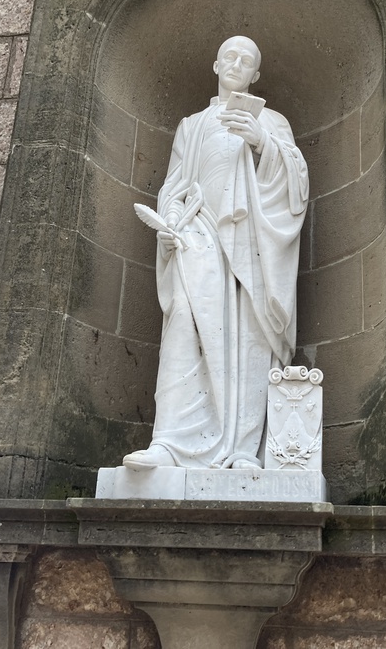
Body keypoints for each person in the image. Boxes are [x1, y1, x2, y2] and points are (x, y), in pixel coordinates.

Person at [123, 36, 309, 470]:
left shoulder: (272, 120)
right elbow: (175, 184)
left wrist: (263, 142)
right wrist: (170, 222)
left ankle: (244, 448)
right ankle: (169, 442)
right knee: (183, 324)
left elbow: (297, 182)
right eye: (230, 56)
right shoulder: (193, 125)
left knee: (249, 336)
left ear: (256, 75)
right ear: (216, 64)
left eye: (246, 60)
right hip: (199, 231)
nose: (236, 64)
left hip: (252, 241)